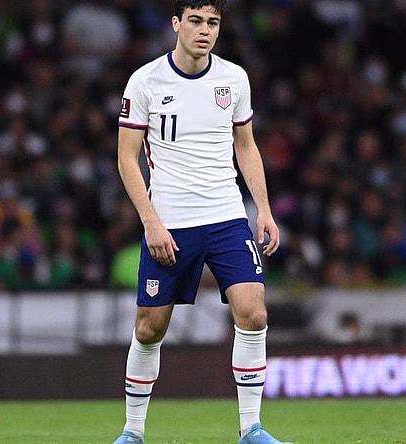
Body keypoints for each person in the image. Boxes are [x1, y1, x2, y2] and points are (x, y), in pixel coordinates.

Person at [113, 1, 290, 444]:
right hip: (170, 221)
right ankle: (132, 432)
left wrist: (263, 209)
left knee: (253, 312)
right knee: (149, 327)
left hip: (226, 217)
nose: (204, 30)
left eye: (212, 22)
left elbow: (246, 147)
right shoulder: (145, 81)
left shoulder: (234, 79)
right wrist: (151, 222)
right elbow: (126, 158)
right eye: (195, 20)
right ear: (176, 24)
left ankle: (251, 429)